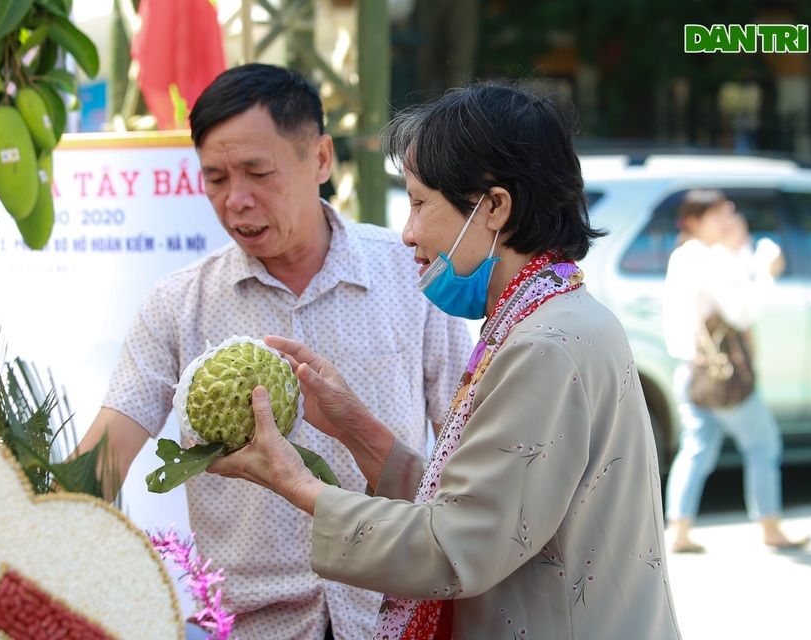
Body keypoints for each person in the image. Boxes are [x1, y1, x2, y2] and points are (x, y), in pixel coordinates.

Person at [208, 80, 683, 639]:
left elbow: (456, 546)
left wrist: (295, 483)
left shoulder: (544, 345)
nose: (408, 234)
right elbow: (484, 503)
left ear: (495, 207)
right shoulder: (551, 317)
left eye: (419, 203)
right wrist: (355, 427)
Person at [71, 63, 475, 640]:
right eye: (215, 178)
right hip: (249, 626)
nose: (236, 200)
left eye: (258, 172)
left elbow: (466, 449)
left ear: (321, 159)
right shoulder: (177, 305)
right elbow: (104, 457)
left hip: (389, 616)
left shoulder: (410, 276)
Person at [662, 189, 810, 553]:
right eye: (717, 215)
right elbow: (741, 312)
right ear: (694, 221)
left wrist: (739, 249)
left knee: (696, 448)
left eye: (727, 212)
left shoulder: (686, 255)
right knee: (762, 444)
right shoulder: (707, 257)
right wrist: (768, 273)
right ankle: (770, 526)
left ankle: (678, 530)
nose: (726, 221)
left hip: (692, 371)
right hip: (723, 374)